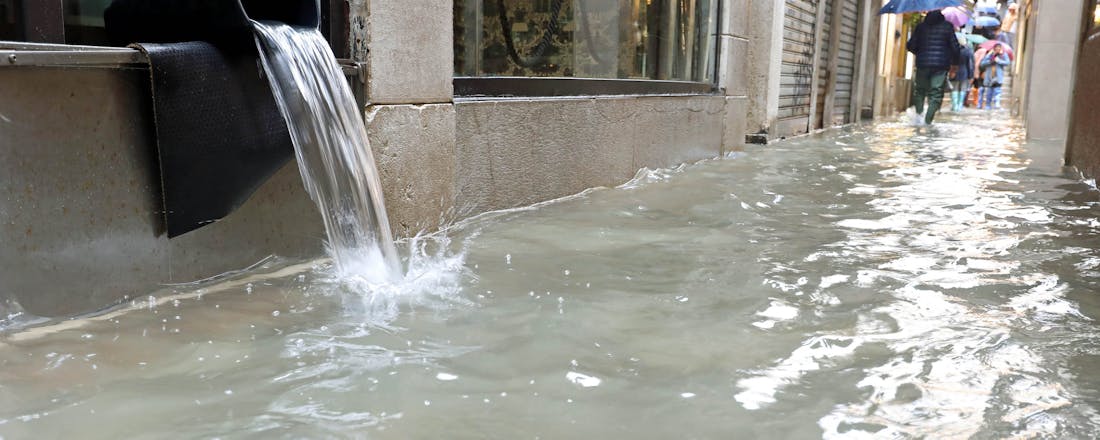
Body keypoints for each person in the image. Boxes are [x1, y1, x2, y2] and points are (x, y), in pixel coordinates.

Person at [906, 10, 962, 125]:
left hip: (922, 64)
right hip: (941, 65)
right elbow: (955, 48)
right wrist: (954, 63)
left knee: (920, 91)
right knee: (936, 92)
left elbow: (911, 45)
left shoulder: (921, 26)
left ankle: (918, 117)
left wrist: (920, 53)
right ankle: (928, 121)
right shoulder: (947, 27)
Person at [978, 43, 1011, 109]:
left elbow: (1007, 62)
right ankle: (988, 105)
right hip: (989, 76)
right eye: (996, 48)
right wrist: (990, 61)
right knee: (989, 92)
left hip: (998, 77)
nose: (997, 50)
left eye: (999, 48)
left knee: (997, 91)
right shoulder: (989, 55)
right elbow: (982, 64)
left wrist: (998, 61)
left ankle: (997, 104)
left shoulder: (1003, 55)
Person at [950, 36, 974, 112]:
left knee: (954, 88)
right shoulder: (968, 51)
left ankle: (954, 105)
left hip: (954, 71)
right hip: (964, 72)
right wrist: (971, 75)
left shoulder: (953, 50)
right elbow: (970, 64)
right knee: (963, 89)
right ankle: (960, 106)